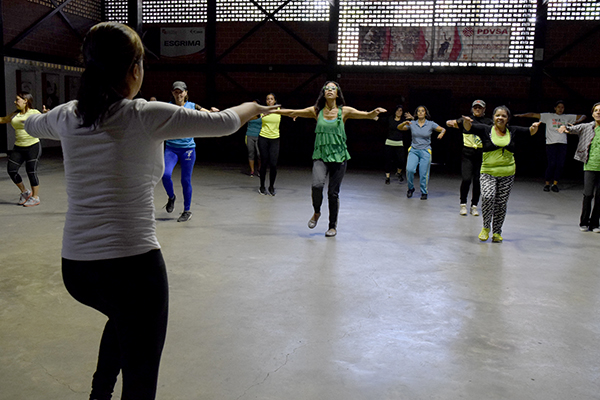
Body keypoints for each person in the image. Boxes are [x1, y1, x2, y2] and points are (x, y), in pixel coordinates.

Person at [24, 22, 276, 400]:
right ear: (134, 69)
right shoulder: (145, 114)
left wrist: (37, 115)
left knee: (122, 320)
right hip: (133, 267)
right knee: (141, 378)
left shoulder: (67, 115)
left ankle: (99, 394)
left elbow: (33, 123)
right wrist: (254, 107)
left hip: (77, 268)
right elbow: (225, 123)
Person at [271, 81, 386, 237]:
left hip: (339, 157)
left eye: (333, 88)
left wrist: (374, 112)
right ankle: (317, 212)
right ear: (323, 93)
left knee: (333, 193)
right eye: (327, 88)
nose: (330, 90)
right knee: (317, 185)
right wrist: (273, 111)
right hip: (321, 155)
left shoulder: (344, 111)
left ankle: (332, 226)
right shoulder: (316, 111)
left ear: (337, 93)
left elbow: (366, 115)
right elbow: (293, 111)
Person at [463, 106, 540, 242]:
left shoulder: (513, 131)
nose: (500, 118)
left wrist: (534, 128)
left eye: (503, 116)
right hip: (488, 172)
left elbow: (530, 132)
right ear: (493, 118)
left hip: (507, 173)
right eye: (498, 115)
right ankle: (486, 227)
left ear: (507, 119)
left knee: (501, 203)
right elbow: (469, 128)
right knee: (488, 196)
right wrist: (467, 122)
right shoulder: (486, 130)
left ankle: (497, 232)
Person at [162, 81, 218, 222]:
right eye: (176, 91)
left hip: (187, 149)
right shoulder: (167, 107)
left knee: (185, 180)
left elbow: (208, 114)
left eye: (181, 91)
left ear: (186, 93)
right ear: (172, 93)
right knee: (165, 174)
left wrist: (214, 113)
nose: (178, 94)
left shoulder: (192, 106)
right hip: (171, 148)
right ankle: (171, 197)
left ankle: (187, 210)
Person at [515, 101, 585, 192]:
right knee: (551, 164)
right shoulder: (548, 116)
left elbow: (584, 116)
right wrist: (521, 115)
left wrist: (578, 121)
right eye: (558, 107)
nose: (560, 109)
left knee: (560, 164)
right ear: (555, 108)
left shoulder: (567, 117)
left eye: (562, 107)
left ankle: (555, 184)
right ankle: (547, 183)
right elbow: (533, 114)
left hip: (562, 143)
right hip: (551, 143)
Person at [558, 102, 600, 232]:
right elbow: (573, 129)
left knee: (599, 197)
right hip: (590, 165)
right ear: (592, 114)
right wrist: (564, 128)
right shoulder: (587, 127)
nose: (598, 112)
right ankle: (584, 222)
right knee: (588, 194)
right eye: (596, 110)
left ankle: (595, 224)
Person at [446, 99, 493, 216]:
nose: (477, 109)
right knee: (466, 179)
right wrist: (454, 122)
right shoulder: (466, 120)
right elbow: (448, 123)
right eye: (475, 107)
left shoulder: (488, 122)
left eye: (480, 108)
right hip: (467, 153)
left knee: (477, 181)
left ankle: (474, 205)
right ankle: (463, 204)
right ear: (472, 109)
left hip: (481, 154)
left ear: (484, 109)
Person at [0, 93, 42, 207]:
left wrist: (48, 114)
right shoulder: (15, 114)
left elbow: (46, 120)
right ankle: (25, 192)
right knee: (12, 170)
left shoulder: (34, 113)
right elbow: (3, 120)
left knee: (31, 171)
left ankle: (35, 197)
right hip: (18, 147)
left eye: (17, 100)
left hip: (33, 145)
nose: (15, 102)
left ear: (25, 101)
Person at [398, 105, 446, 200]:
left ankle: (424, 191)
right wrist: (404, 123)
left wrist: (441, 133)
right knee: (410, 169)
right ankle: (410, 188)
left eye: (422, 111)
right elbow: (400, 128)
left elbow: (443, 129)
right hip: (414, 150)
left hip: (425, 151)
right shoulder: (412, 123)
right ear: (416, 114)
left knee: (423, 173)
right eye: (418, 111)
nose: (420, 112)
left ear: (425, 113)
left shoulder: (430, 124)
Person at [258, 93, 281, 195]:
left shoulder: (279, 110)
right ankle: (262, 186)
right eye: (268, 99)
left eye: (271, 99)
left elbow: (290, 112)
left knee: (273, 164)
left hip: (275, 139)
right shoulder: (262, 110)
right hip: (263, 137)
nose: (270, 101)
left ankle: (271, 186)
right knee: (264, 162)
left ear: (275, 101)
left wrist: (294, 114)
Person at [384, 104, 412, 185]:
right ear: (395, 111)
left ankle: (399, 172)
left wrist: (412, 118)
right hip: (389, 142)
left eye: (401, 111)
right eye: (398, 110)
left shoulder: (404, 120)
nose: (399, 112)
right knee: (388, 160)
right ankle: (387, 177)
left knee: (401, 160)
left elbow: (414, 125)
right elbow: (379, 119)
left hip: (399, 142)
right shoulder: (390, 119)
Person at [245, 99, 262, 177]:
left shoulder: (262, 113)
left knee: (259, 154)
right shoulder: (248, 114)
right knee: (251, 153)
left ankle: (259, 169)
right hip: (249, 135)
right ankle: (252, 171)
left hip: (259, 135)